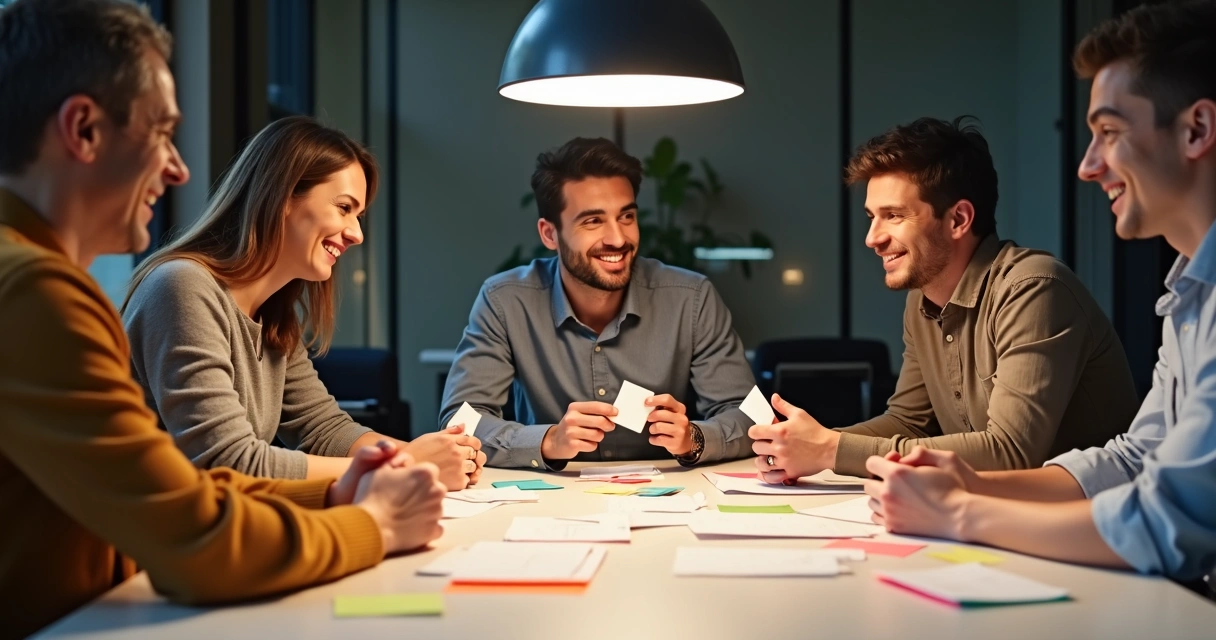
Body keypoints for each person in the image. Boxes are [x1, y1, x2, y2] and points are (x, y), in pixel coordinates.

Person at [0, 2, 443, 637]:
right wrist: (374, 523)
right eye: (161, 133)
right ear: (84, 130)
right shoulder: (36, 293)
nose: (178, 168)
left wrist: (345, 490)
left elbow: (179, 493)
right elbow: (194, 538)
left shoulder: (39, 280)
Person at [864, 0, 1216, 585]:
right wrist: (969, 483)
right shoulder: (1190, 291)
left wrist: (959, 509)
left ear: (1197, 129)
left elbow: (1167, 518)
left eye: (1109, 132)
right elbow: (1135, 457)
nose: (1087, 165)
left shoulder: (1034, 285)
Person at [749, 117, 1139, 480]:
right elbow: (908, 422)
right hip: (990, 517)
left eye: (894, 215)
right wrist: (808, 444)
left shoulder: (1033, 287)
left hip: (1087, 529)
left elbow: (1011, 452)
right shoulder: (923, 302)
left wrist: (831, 450)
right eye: (872, 216)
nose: (873, 238)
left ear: (958, 220)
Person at [122, 116, 485, 490]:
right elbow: (229, 462)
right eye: (344, 208)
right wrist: (407, 464)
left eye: (358, 216)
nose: (357, 234)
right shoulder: (181, 287)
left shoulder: (274, 315)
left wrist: (435, 456)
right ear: (282, 196)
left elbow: (323, 429)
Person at [440, 137, 756, 469]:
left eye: (627, 217)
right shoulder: (504, 300)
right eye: (593, 221)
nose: (618, 239)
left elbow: (748, 417)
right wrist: (549, 441)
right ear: (550, 234)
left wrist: (694, 437)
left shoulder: (691, 297)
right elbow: (462, 421)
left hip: (674, 495)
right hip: (550, 501)